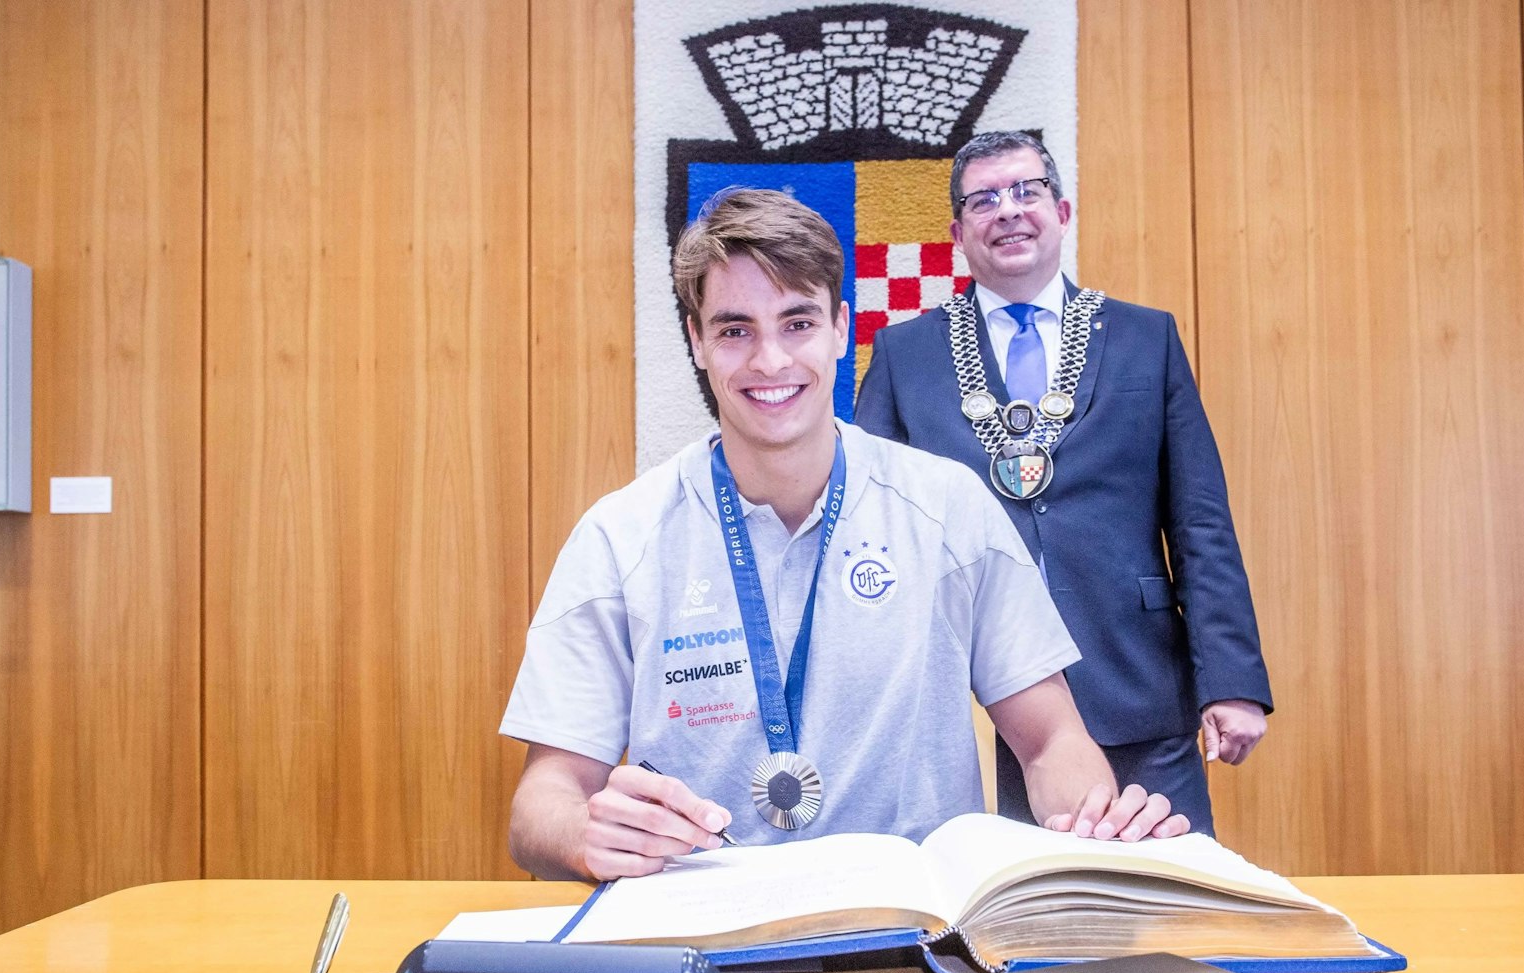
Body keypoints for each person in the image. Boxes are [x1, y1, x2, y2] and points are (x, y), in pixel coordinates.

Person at [502, 188, 1191, 881]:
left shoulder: (949, 508)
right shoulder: (620, 538)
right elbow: (543, 799)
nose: (770, 361)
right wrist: (586, 832)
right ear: (696, 341)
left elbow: (1050, 741)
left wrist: (1093, 818)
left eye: (796, 323)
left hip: (921, 948)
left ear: (839, 327)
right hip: (704, 948)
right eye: (735, 329)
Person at [855, 132, 1272, 837]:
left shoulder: (1148, 337)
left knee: (1161, 914)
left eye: (1026, 191)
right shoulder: (905, 354)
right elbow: (868, 530)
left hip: (1132, 684)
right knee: (1005, 930)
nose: (1008, 211)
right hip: (964, 700)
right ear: (959, 233)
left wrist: (1231, 680)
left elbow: (1199, 520)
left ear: (1063, 209)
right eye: (983, 200)